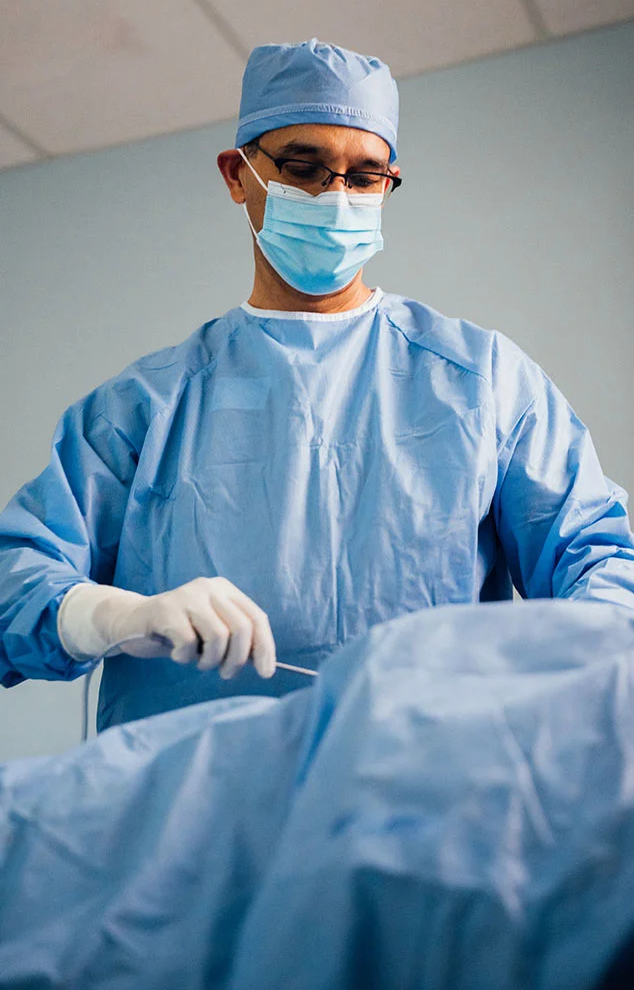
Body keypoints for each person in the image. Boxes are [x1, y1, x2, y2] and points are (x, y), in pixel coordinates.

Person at [1, 39, 633, 733]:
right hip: (189, 816)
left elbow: (600, 561)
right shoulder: (142, 409)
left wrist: (532, 676)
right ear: (237, 175)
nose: (337, 197)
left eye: (365, 177)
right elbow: (16, 577)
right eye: (304, 168)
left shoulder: (482, 383)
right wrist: (115, 615)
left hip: (427, 802)